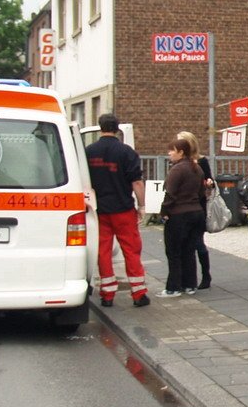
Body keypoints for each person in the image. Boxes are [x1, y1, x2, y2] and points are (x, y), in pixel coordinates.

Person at [86, 113, 149, 307]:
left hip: (100, 211)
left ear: (100, 127)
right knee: (131, 249)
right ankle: (138, 294)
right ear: (117, 128)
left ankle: (107, 294)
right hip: (123, 209)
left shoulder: (89, 152)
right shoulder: (126, 152)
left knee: (102, 252)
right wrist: (141, 205)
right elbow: (137, 182)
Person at [159, 138, 205, 297]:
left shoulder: (177, 170)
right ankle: (190, 284)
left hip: (179, 215)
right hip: (196, 213)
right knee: (189, 250)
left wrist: (163, 212)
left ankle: (173, 287)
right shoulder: (197, 168)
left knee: (174, 252)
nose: (169, 153)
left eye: (172, 150)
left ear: (181, 152)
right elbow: (201, 192)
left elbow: (170, 194)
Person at [177, 131, 214, 289]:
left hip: (198, 206)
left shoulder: (201, 161)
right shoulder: (177, 162)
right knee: (185, 243)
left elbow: (210, 180)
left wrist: (209, 183)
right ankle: (188, 278)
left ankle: (206, 275)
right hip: (182, 208)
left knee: (198, 242)